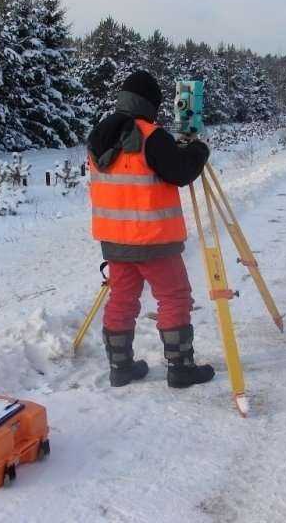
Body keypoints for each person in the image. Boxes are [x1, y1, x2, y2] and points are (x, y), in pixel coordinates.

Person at [87, 70, 215, 388]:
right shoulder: (151, 136)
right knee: (174, 297)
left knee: (122, 299)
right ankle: (181, 367)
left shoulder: (99, 135)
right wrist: (198, 150)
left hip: (115, 241)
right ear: (150, 104)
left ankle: (121, 367)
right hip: (154, 239)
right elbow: (181, 172)